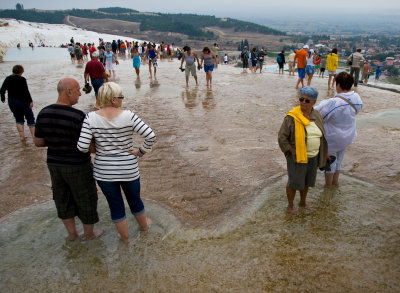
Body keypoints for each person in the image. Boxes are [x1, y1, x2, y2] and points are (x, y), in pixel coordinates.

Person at [77, 82, 156, 243]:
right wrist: (140, 152)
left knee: (115, 205)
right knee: (135, 199)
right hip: (129, 168)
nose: (122, 100)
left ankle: (125, 238)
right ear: (113, 99)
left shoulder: (90, 118)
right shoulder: (129, 116)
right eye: (121, 97)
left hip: (104, 171)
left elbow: (82, 147)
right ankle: (144, 227)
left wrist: (100, 148)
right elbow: (150, 136)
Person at [34, 77, 104, 241]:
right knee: (86, 197)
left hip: (54, 165)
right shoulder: (78, 116)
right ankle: (88, 234)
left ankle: (72, 234)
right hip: (78, 165)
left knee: (62, 197)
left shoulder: (43, 112)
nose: (80, 94)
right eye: (78, 90)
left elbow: (38, 142)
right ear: (69, 91)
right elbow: (91, 147)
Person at [278, 86, 328, 214]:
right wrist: (290, 150)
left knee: (307, 181)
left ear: (314, 102)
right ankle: (290, 206)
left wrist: (324, 153)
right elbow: (282, 137)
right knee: (294, 182)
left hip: (313, 156)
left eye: (307, 100)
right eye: (301, 99)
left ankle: (303, 202)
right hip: (297, 156)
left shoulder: (316, 115)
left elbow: (322, 135)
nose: (303, 102)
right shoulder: (292, 116)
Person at [314, 72, 363, 187]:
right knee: (339, 160)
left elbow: (317, 115)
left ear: (338, 84)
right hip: (348, 135)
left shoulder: (333, 103)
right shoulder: (356, 97)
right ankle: (335, 182)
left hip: (333, 138)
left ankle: (328, 185)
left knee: (330, 161)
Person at [1, 65, 35, 142]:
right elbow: (26, 91)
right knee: (30, 118)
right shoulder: (22, 79)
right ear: (21, 71)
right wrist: (30, 101)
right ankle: (33, 137)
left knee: (18, 118)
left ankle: (21, 137)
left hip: (12, 101)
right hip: (22, 101)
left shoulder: (8, 78)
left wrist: (2, 97)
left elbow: (2, 89)